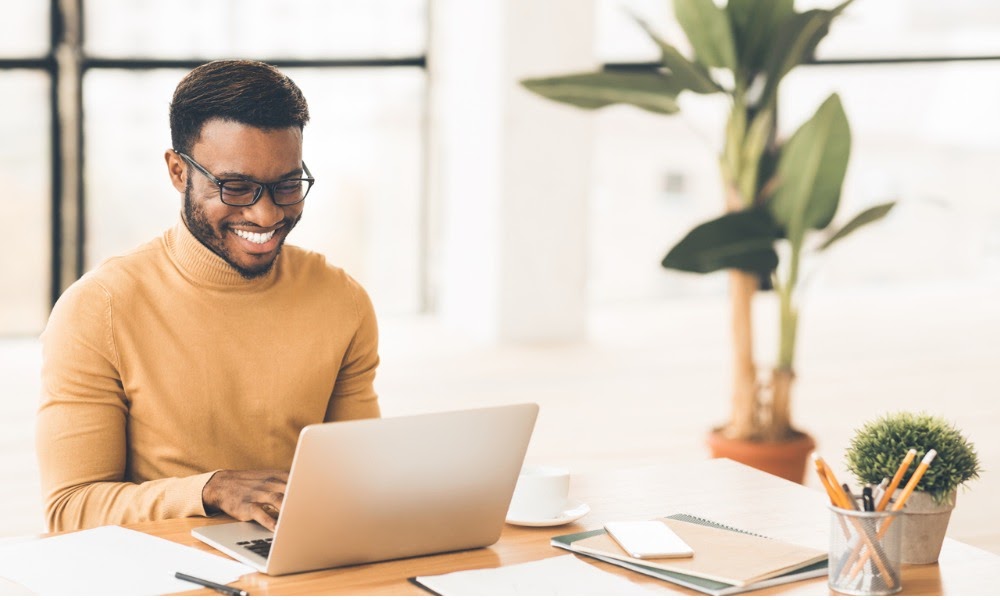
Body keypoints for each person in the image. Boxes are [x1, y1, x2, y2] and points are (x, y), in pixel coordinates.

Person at [36, 60, 380, 533]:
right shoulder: (99, 308)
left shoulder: (343, 301)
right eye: (236, 188)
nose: (264, 215)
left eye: (286, 185)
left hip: (300, 557)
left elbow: (361, 476)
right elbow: (71, 509)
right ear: (178, 172)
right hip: (161, 568)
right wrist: (210, 489)